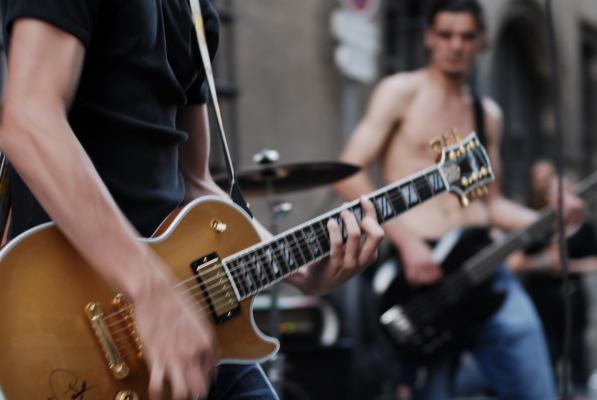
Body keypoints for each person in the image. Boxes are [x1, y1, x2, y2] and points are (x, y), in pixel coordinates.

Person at [0, 1, 384, 399]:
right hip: (73, 317)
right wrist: (150, 291)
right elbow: (29, 121)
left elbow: (193, 180)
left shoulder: (195, 11)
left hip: (188, 313)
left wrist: (297, 266)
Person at [334, 0, 583, 398]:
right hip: (419, 276)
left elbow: (492, 202)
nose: (456, 45)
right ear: (429, 38)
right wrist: (408, 243)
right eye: (446, 34)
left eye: (467, 36)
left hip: (483, 265)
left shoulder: (488, 115)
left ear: (481, 42)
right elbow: (348, 174)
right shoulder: (402, 92)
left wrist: (553, 217)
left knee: (536, 383)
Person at [508, 160, 597, 400]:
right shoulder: (536, 229)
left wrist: (571, 266)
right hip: (542, 305)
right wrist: (543, 263)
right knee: (544, 365)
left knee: (578, 366)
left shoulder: (584, 229)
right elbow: (514, 263)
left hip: (573, 305)